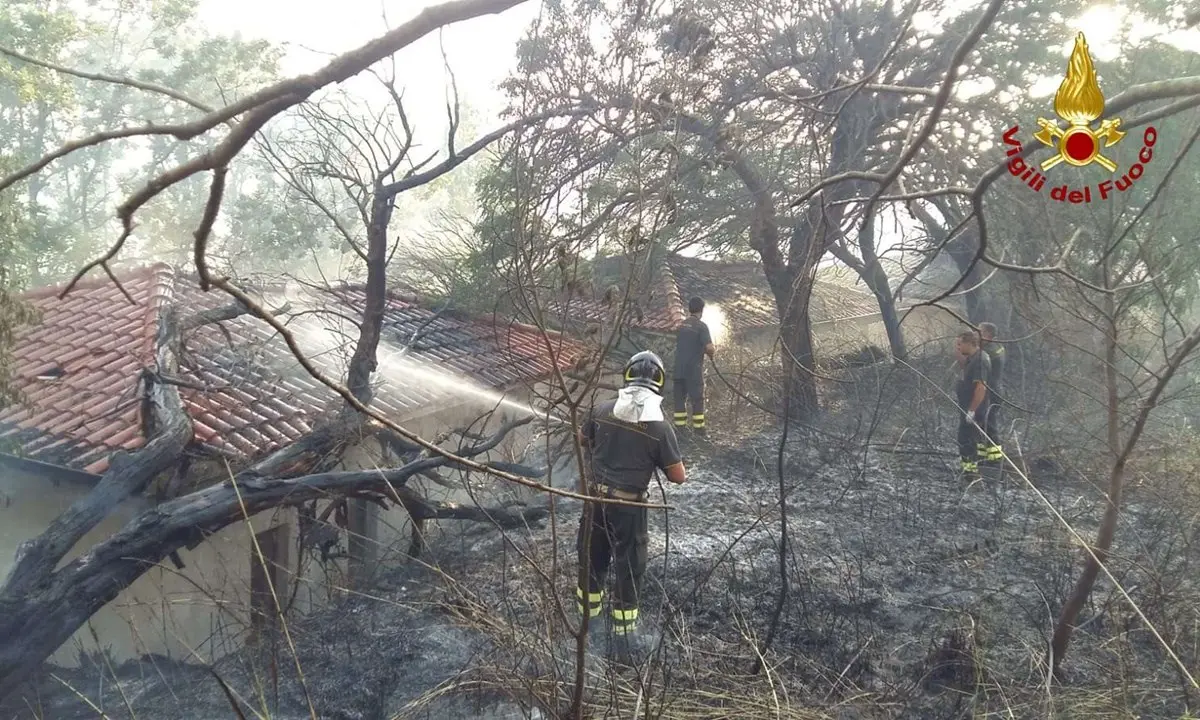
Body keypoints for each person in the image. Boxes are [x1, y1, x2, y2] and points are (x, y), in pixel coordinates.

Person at [576, 350, 687, 661]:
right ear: (659, 383)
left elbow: (582, 439)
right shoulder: (660, 427)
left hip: (594, 501)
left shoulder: (601, 409)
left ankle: (587, 624)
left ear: (626, 376)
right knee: (628, 566)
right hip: (629, 508)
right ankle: (625, 640)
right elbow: (678, 476)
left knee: (591, 557)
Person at [673, 296, 716, 436]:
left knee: (680, 400)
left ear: (689, 309)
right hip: (693, 371)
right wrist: (710, 353)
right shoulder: (702, 327)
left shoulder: (681, 326)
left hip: (678, 370)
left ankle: (680, 430)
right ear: (701, 310)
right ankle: (699, 430)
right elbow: (710, 348)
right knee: (697, 400)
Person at [954, 330, 991, 480]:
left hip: (975, 408)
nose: (958, 347)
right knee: (974, 439)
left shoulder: (980, 361)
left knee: (966, 439)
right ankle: (975, 469)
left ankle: (970, 473)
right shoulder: (973, 358)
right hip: (969, 406)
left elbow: (981, 388)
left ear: (970, 343)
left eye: (960, 344)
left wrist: (972, 410)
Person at [977, 322, 1005, 466]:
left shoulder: (987, 352)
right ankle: (982, 458)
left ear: (987, 334)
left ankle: (994, 461)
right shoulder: (998, 347)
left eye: (979, 332)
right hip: (995, 390)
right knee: (982, 426)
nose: (976, 334)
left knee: (989, 425)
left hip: (989, 392)